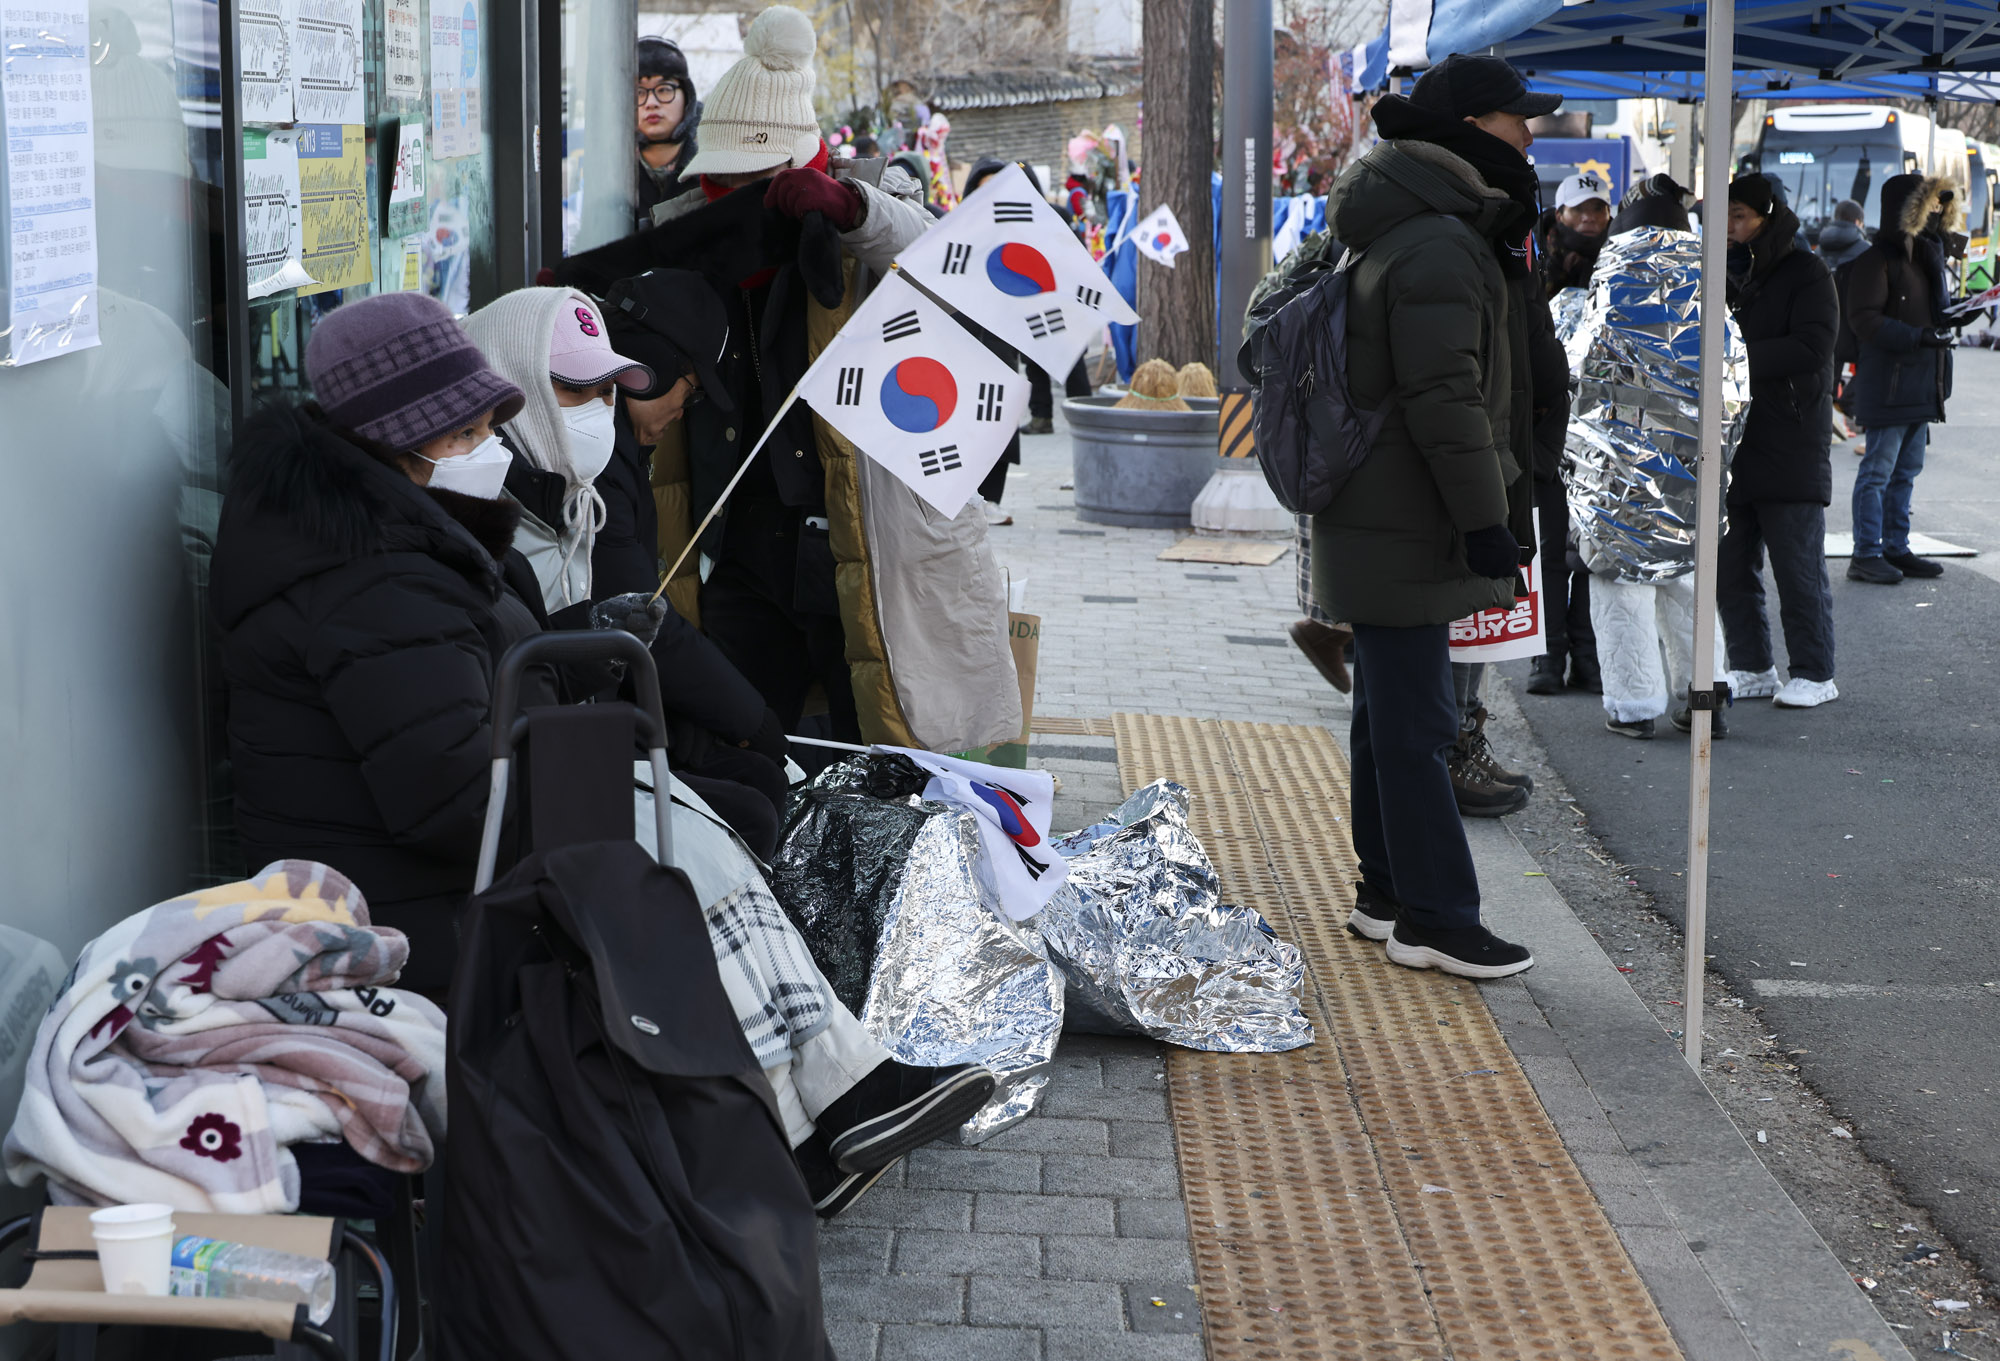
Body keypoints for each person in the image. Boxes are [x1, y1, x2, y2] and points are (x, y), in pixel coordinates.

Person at [213, 292, 996, 1217]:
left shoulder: (392, 537)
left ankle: (826, 1106)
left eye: (488, 423)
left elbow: (475, 705)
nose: (489, 448)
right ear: (400, 442)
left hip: (412, 849)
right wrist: (579, 746)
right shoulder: (372, 577)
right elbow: (449, 800)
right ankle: (825, 1106)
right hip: (397, 887)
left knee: (673, 809)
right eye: (465, 430)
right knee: (662, 832)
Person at [557, 6, 1022, 759]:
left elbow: (955, 266)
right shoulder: (691, 235)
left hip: (869, 537)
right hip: (740, 544)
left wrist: (853, 215)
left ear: (793, 168)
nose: (728, 198)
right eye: (717, 181)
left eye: (747, 182)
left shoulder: (871, 206)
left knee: (885, 758)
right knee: (744, 746)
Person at [1318, 52, 1556, 980]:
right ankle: (1439, 917)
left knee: (1387, 715)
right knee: (1417, 726)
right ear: (1469, 131)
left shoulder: (1415, 222)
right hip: (1409, 516)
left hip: (1383, 513)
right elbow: (1445, 399)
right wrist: (1487, 514)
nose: (1529, 136)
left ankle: (1387, 893)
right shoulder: (1439, 244)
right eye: (1515, 119)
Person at [465, 284, 793, 854]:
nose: (597, 409)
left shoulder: (565, 494)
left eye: (606, 389)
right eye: (573, 388)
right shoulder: (486, 504)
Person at [1566, 179, 1732, 740]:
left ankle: (1634, 707)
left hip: (1615, 474)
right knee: (1689, 584)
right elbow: (1735, 383)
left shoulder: (1611, 281)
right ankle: (1706, 694)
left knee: (1621, 590)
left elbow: (1577, 368)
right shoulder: (1710, 284)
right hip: (1693, 470)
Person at [1719, 174, 1840, 710]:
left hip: (1789, 437)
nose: (1728, 227)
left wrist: (1735, 360)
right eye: (1722, 216)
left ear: (1768, 217)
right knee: (1730, 564)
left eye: (1739, 215)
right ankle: (1751, 665)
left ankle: (1815, 672)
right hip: (1730, 440)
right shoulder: (1720, 270)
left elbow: (1812, 347)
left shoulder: (1807, 272)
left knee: (1797, 567)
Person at [1845, 173, 1962, 584]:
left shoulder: (1928, 255)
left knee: (1906, 472)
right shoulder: (1877, 259)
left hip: (1921, 382)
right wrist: (1918, 337)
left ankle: (1896, 545)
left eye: (1938, 204)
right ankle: (1866, 552)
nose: (1936, 209)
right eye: (1928, 202)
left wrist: (1960, 313)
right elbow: (1864, 320)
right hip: (1891, 382)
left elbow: (1931, 314)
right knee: (1878, 472)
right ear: (1908, 207)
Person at [1526, 170, 1610, 698]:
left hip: (1602, 435)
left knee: (1596, 548)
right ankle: (1547, 655)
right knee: (1550, 548)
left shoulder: (1619, 265)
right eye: (1579, 209)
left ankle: (1587, 653)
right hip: (1545, 425)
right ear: (1560, 214)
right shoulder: (1533, 262)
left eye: (1597, 210)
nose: (1588, 218)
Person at [633, 35, 702, 230]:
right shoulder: (609, 173)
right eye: (639, 92)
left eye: (664, 89)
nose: (651, 103)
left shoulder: (714, 170)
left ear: (687, 98)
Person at [1818, 198, 1871, 267]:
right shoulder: (1867, 251)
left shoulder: (1817, 250)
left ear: (1835, 219)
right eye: (1862, 224)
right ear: (1857, 222)